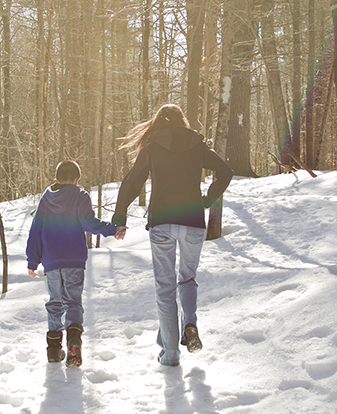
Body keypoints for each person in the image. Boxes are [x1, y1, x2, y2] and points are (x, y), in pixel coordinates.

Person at [112, 104, 233, 367]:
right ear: (182, 121)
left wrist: (120, 217)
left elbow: (132, 182)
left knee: (165, 291)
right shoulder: (197, 145)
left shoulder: (152, 147)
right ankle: (188, 323)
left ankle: (170, 355)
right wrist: (207, 200)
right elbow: (225, 172)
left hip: (162, 225)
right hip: (193, 223)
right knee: (187, 279)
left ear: (158, 123)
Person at [27, 160, 127, 367]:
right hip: (74, 259)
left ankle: (54, 350)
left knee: (55, 302)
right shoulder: (80, 196)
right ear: (77, 179)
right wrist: (112, 229)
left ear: (56, 179)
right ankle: (74, 342)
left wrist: (32, 260)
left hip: (51, 261)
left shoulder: (46, 199)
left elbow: (35, 229)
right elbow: (88, 222)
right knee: (73, 301)